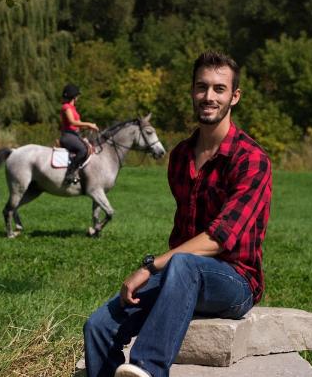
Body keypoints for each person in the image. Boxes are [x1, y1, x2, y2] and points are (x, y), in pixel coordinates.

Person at [83, 51, 272, 377]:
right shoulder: (181, 156)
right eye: (202, 87)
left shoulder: (251, 159)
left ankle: (148, 369)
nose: (209, 96)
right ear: (192, 92)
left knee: (186, 264)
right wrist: (161, 273)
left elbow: (218, 239)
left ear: (234, 97)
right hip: (180, 276)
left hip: (235, 281)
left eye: (219, 89)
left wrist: (151, 267)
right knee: (99, 326)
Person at [59, 83, 99, 184]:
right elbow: (72, 122)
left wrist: (90, 127)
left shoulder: (73, 108)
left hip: (74, 135)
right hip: (68, 136)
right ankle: (70, 173)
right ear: (74, 96)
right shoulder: (66, 107)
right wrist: (89, 124)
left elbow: (78, 124)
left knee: (90, 148)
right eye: (77, 96)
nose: (78, 97)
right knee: (83, 150)